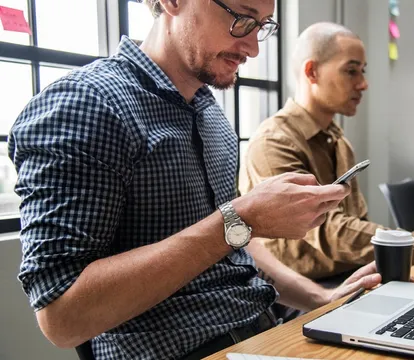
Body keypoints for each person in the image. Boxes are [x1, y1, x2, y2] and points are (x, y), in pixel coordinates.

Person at [8, 1, 382, 359]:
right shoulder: (86, 104)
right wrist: (239, 219)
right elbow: (61, 317)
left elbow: (235, 244)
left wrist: (318, 298)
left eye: (263, 26)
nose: (252, 47)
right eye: (242, 18)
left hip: (264, 329)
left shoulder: (210, 114)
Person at [239, 22, 414, 286]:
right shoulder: (274, 143)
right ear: (312, 72)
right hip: (302, 293)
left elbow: (356, 225)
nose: (363, 84)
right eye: (351, 71)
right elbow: (328, 232)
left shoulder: (338, 140)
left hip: (351, 275)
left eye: (363, 72)